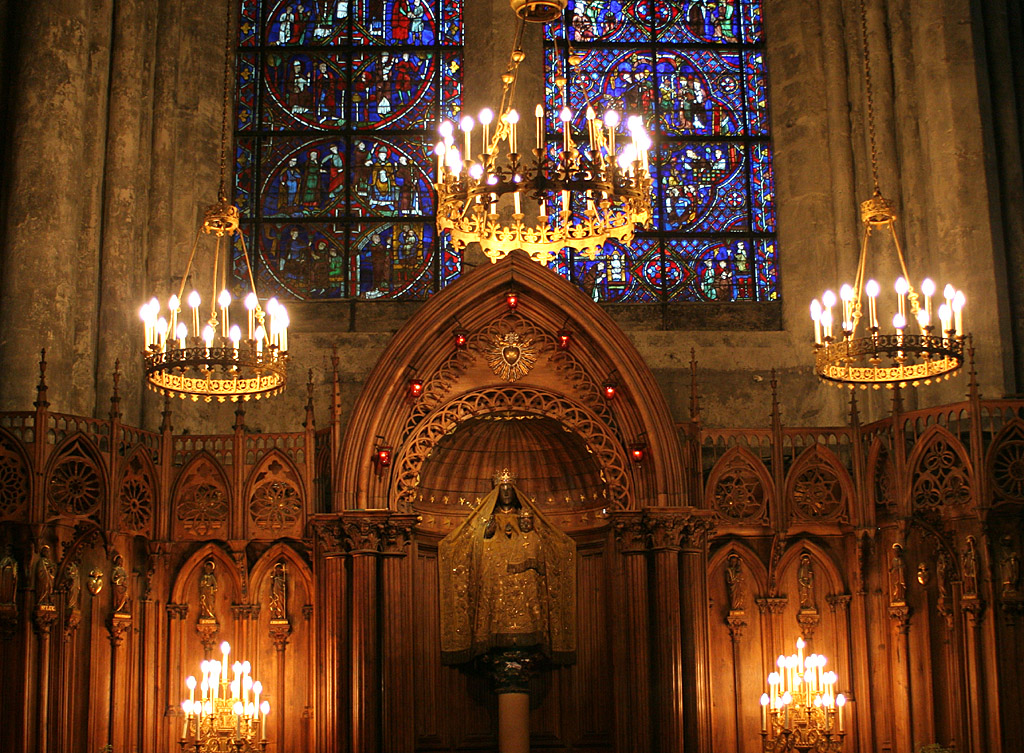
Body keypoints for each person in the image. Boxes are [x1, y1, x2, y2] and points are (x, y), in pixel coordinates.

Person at [439, 470, 576, 665]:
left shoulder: (524, 518)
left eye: (509, 490)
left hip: (523, 581)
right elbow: (479, 544)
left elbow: (538, 542)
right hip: (496, 579)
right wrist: (488, 532)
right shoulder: (490, 517)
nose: (505, 493)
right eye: (502, 489)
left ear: (514, 493)